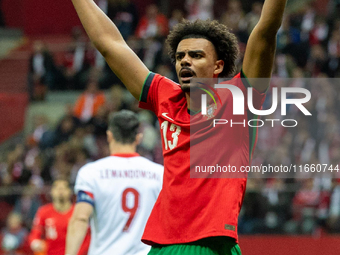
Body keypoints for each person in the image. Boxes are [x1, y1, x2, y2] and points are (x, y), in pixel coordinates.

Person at [71, 0, 288, 254]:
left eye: (196, 56)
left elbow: (265, 32)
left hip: (211, 245)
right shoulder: (166, 96)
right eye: (180, 56)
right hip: (162, 246)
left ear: (218, 66)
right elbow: (110, 45)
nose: (185, 61)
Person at [65, 110, 163, 255]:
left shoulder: (91, 173)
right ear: (138, 138)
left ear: (109, 136)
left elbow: (81, 218)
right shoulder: (159, 173)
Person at [28, 179, 90, 255]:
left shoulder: (78, 212)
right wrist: (35, 243)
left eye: (63, 188)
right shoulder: (43, 211)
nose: (60, 191)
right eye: (57, 188)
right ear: (52, 192)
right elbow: (35, 232)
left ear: (70, 192)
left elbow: (88, 237)